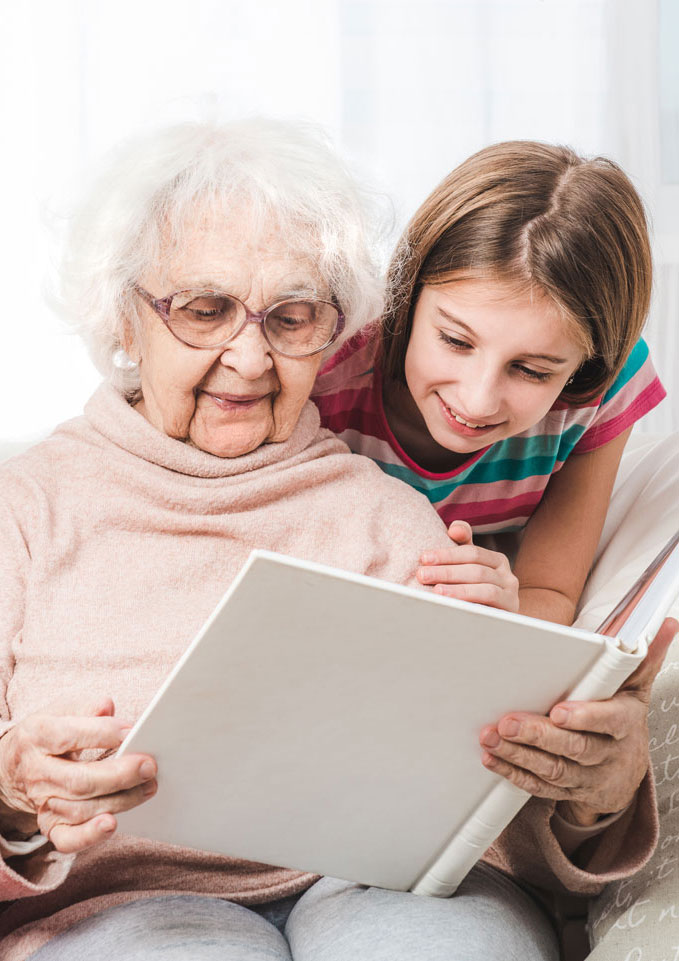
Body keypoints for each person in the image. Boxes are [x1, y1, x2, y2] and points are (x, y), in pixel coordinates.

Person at [0, 119, 673, 961]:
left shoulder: (385, 510)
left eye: (290, 318)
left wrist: (593, 796)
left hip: (382, 887)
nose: (247, 360)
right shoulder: (23, 509)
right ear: (121, 318)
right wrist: (11, 794)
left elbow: (490, 810)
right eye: (204, 310)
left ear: (333, 334)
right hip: (126, 905)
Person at [312, 141, 666, 629]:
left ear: (587, 365)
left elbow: (552, 592)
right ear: (408, 296)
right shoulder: (327, 360)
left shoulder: (606, 384)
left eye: (533, 371)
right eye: (456, 341)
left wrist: (508, 607)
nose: (476, 400)